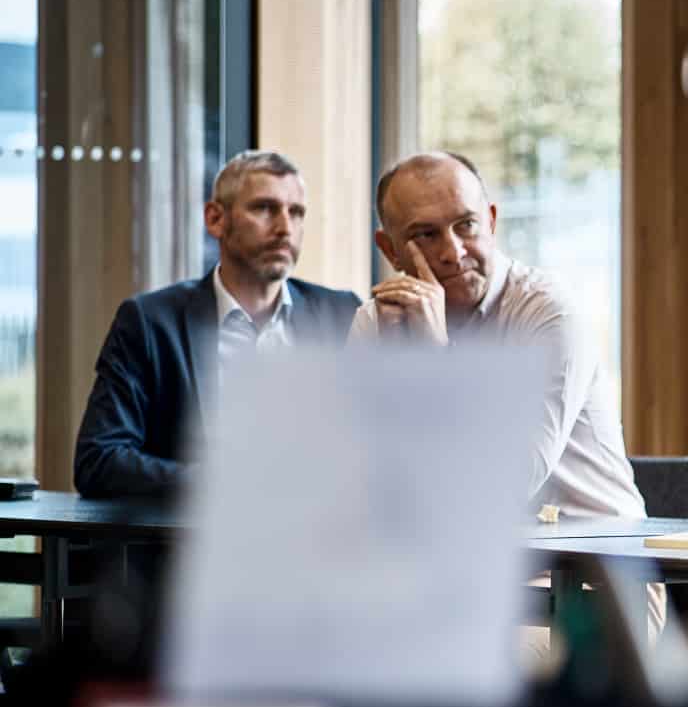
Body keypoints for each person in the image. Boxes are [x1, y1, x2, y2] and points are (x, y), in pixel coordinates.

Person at [355, 151, 647, 524]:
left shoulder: (549, 312)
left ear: (491, 222)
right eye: (426, 235)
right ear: (390, 250)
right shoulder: (378, 321)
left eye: (466, 225)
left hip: (596, 552)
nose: (453, 252)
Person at [73, 150, 361, 497]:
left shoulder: (342, 315)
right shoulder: (151, 323)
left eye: (296, 212)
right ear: (215, 219)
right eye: (264, 208)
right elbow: (98, 460)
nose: (285, 228)